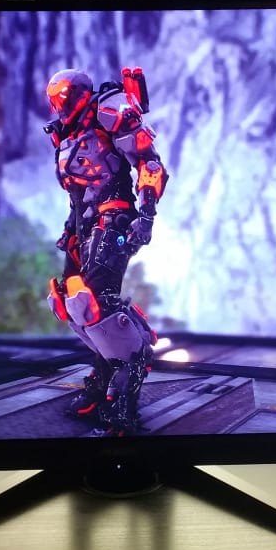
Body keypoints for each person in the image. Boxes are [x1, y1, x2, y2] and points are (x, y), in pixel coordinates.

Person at [43, 67, 169, 435]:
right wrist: (70, 230)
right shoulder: (66, 135)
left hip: (113, 216)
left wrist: (146, 215)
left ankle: (125, 395)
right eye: (54, 100)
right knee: (72, 303)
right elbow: (77, 193)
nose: (59, 105)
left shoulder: (109, 109)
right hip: (83, 223)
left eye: (63, 97)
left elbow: (149, 162)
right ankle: (101, 383)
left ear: (79, 94)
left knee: (97, 303)